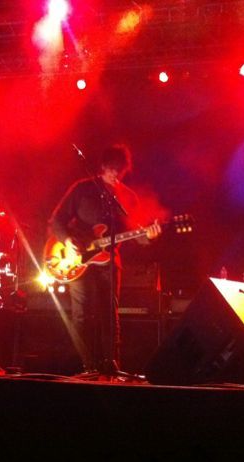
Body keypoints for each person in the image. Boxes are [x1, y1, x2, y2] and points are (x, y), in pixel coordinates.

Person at [49, 143, 162, 374]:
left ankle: (111, 367)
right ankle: (84, 367)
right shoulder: (82, 189)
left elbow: (137, 235)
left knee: (110, 315)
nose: (114, 174)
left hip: (108, 262)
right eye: (110, 169)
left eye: (118, 170)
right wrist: (68, 241)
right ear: (102, 167)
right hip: (76, 258)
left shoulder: (127, 198)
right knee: (81, 314)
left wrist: (149, 236)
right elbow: (56, 220)